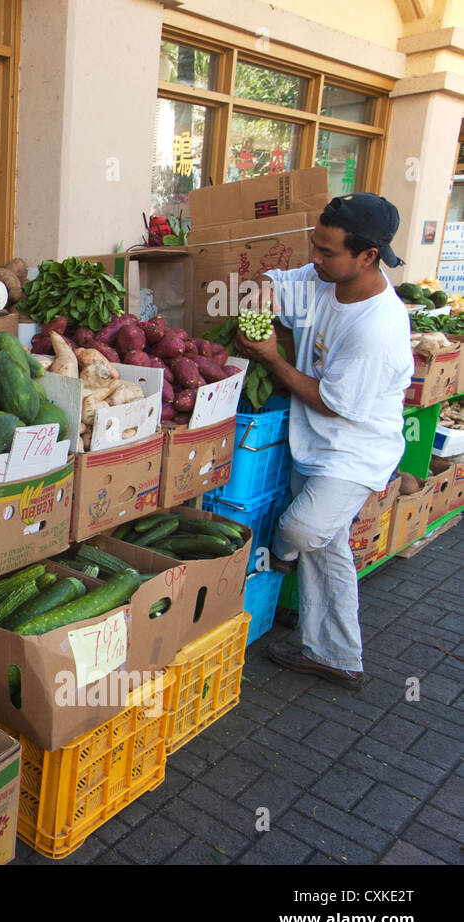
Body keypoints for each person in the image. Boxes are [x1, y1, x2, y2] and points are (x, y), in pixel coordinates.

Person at [234, 193, 413, 691]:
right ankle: (335, 655)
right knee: (328, 549)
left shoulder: (378, 328)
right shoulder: (323, 278)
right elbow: (278, 281)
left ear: (368, 256)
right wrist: (262, 296)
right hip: (311, 440)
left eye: (327, 251)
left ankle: (283, 557)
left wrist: (271, 357)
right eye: (314, 245)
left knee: (303, 530)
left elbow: (333, 404)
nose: (314, 258)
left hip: (354, 451)